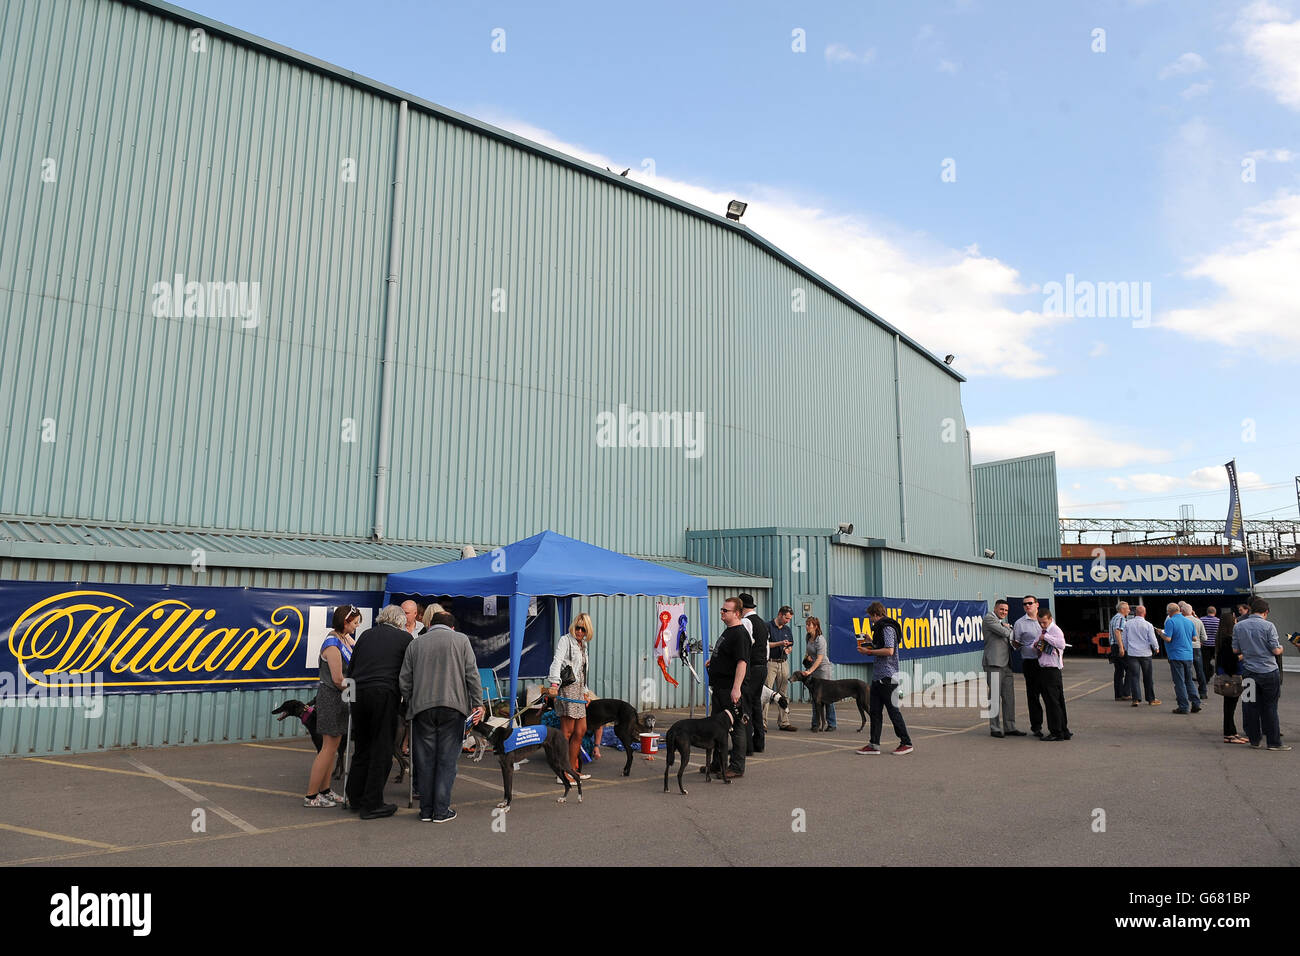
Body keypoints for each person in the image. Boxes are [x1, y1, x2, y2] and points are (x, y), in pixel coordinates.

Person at [399, 610, 484, 823]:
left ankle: (426, 810)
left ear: (429, 625)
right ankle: (441, 811)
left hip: (422, 710)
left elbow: (404, 680)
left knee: (424, 760)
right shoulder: (461, 640)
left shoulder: (415, 644)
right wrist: (477, 704)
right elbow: (472, 674)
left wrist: (411, 701)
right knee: (446, 761)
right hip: (453, 709)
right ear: (452, 627)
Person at [344, 604, 413, 819]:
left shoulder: (365, 635)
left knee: (363, 746)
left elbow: (352, 667)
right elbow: (407, 673)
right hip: (383, 694)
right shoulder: (405, 639)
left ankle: (355, 797)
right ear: (400, 622)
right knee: (382, 749)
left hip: (359, 693)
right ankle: (372, 804)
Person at [304, 604, 361, 807]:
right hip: (331, 697)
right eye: (354, 623)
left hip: (340, 698)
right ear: (345, 622)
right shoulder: (332, 644)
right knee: (327, 748)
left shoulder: (344, 639)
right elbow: (338, 679)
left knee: (334, 747)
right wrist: (359, 685)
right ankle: (311, 795)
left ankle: (325, 790)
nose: (356, 627)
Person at [855, 602, 913, 755]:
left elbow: (889, 650)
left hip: (887, 677)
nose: (871, 621)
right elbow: (881, 646)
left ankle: (906, 742)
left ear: (876, 614)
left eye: (871, 617)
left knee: (893, 711)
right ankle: (874, 744)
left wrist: (869, 652)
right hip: (878, 677)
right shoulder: (880, 629)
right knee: (875, 711)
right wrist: (870, 642)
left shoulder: (887, 628)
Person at [1233, 597, 1289, 751]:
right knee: (1270, 706)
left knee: (1250, 705)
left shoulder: (1238, 626)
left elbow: (1235, 650)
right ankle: (1273, 742)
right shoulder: (1269, 626)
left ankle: (1254, 740)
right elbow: (1275, 650)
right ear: (1266, 612)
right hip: (1269, 671)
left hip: (1249, 671)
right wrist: (1282, 648)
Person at [703, 596, 751, 776]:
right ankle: (717, 763)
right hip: (720, 687)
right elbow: (727, 656)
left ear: (737, 613)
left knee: (736, 726)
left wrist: (736, 688)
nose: (722, 612)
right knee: (716, 726)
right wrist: (714, 662)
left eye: (726, 610)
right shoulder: (728, 631)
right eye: (722, 610)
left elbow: (742, 662)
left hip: (731, 688)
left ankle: (737, 766)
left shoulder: (739, 634)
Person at [548, 613, 595, 781]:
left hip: (579, 690)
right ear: (573, 626)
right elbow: (557, 660)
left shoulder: (583, 645)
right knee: (566, 732)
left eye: (584, 629)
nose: (580, 631)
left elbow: (583, 671)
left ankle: (572, 769)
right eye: (577, 627)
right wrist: (554, 684)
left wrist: (586, 691)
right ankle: (563, 773)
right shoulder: (565, 640)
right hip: (567, 689)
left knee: (580, 731)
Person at [981, 600, 1024, 737]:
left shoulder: (1001, 622)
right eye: (1001, 609)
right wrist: (1008, 627)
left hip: (1006, 664)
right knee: (994, 697)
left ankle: (1010, 727)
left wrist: (1006, 626)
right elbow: (1005, 633)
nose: (1004, 612)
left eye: (1006, 611)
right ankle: (995, 728)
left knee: (1009, 697)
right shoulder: (989, 618)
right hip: (994, 663)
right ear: (995, 608)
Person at [739, 593, 770, 754]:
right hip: (763, 666)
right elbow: (766, 647)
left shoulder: (746, 621)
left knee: (746, 706)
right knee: (756, 705)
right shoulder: (762, 623)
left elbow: (743, 646)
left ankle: (746, 746)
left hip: (752, 668)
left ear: (741, 607)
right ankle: (759, 743)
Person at [1034, 608, 1071, 741]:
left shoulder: (1054, 630)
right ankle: (1063, 729)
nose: (1042, 625)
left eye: (1044, 622)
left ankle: (1056, 732)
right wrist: (1036, 644)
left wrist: (1046, 637)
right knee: (1057, 701)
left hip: (1052, 670)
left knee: (1052, 702)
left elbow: (1062, 644)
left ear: (1050, 619)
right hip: (1044, 668)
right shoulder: (1041, 630)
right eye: (1040, 622)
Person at [1011, 596, 1046, 737]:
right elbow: (1016, 643)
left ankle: (1057, 727)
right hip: (1030, 662)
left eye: (1030, 603)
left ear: (1037, 604)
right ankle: (1036, 727)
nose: (1027, 606)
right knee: (1033, 696)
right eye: (1024, 604)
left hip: (1046, 662)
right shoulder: (1020, 623)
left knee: (1049, 695)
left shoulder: (1045, 618)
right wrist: (1017, 644)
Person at [1214, 609, 1248, 745]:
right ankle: (1229, 733)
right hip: (1232, 676)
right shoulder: (1229, 639)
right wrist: (1245, 654)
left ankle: (1231, 732)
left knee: (1229, 706)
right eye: (1234, 620)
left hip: (1225, 674)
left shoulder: (1221, 638)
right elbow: (1232, 659)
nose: (1236, 621)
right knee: (1230, 706)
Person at [1161, 602, 1201, 715]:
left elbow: (1168, 638)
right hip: (1188, 654)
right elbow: (1194, 638)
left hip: (1176, 655)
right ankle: (1196, 702)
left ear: (1170, 611)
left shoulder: (1170, 621)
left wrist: (1161, 634)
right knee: (1189, 680)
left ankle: (1183, 706)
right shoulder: (1189, 621)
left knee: (1179, 682)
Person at [764, 605, 796, 732]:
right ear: (780, 614)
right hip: (770, 663)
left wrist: (788, 649)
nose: (788, 621)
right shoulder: (767, 626)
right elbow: (765, 644)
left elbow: (791, 645)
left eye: (789, 619)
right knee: (766, 693)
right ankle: (762, 723)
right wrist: (779, 643)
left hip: (783, 663)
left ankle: (784, 722)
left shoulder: (787, 629)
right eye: (786, 618)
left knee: (783, 693)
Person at [1122, 605, 1162, 707]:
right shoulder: (1148, 625)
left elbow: (1124, 639)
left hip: (1132, 654)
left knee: (1134, 677)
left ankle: (1136, 699)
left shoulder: (1128, 624)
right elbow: (1152, 638)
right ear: (1144, 613)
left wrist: (1127, 649)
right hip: (1145, 654)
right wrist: (1156, 647)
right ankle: (1150, 699)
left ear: (1135, 613)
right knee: (1148, 677)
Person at [800, 616, 836, 731]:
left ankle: (832, 723)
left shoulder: (820, 640)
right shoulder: (808, 637)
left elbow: (820, 659)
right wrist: (807, 658)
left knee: (827, 697)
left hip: (823, 670)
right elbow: (809, 652)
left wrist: (810, 671)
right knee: (815, 697)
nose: (806, 627)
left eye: (809, 625)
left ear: (815, 626)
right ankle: (815, 723)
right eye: (806, 624)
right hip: (813, 669)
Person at [1182, 601, 1208, 699]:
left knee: (1186, 671)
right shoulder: (1198, 621)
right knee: (1199, 670)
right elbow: (1204, 637)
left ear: (1182, 611)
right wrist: (1199, 641)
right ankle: (1203, 691)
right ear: (1191, 611)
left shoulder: (1182, 621)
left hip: (1185, 648)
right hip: (1196, 647)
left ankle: (1188, 692)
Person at [1108, 602, 1130, 700]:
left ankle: (1118, 694)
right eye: (1128, 608)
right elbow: (1117, 631)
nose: (1129, 610)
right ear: (1122, 609)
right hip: (1118, 646)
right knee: (1130, 669)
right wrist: (1121, 647)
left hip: (1114, 646)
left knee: (1119, 671)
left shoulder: (1114, 618)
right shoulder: (1120, 618)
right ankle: (1126, 692)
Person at [1200, 605, 1219, 687]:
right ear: (1215, 612)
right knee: (1217, 661)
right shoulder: (1218, 621)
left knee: (1205, 662)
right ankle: (1217, 676)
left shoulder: (1202, 620)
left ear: (1207, 612)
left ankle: (1206, 678)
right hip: (1215, 645)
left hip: (1205, 644)